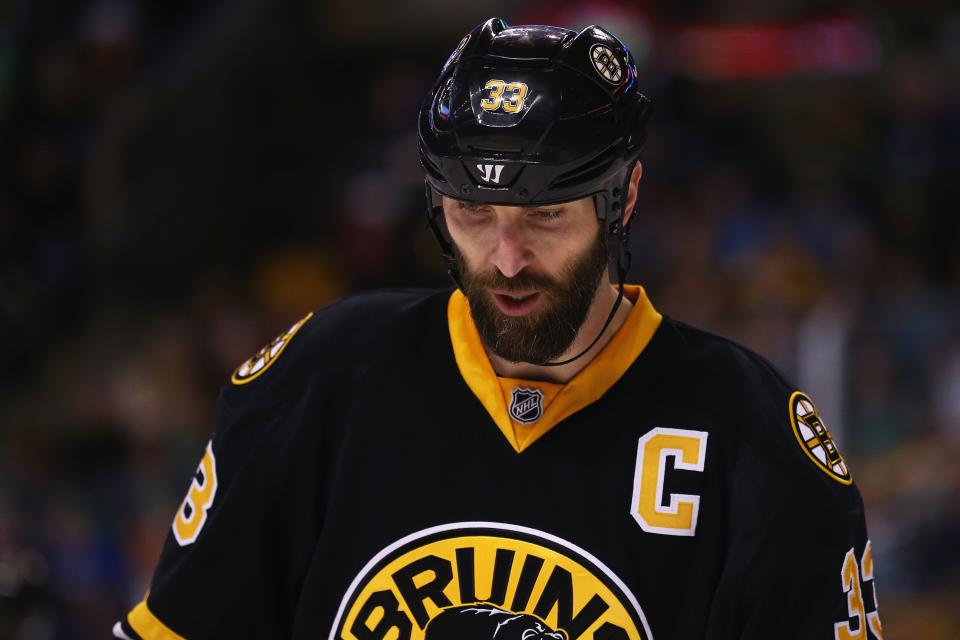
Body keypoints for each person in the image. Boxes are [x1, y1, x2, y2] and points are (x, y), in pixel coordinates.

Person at [114, 18, 883, 640]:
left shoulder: (752, 435)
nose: (506, 260)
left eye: (545, 215)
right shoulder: (320, 382)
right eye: (474, 215)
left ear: (624, 198)